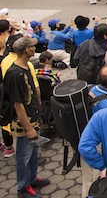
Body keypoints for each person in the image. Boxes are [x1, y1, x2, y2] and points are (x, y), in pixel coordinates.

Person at [3, 37, 51, 198]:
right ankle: (23, 187)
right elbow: (17, 104)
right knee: (23, 156)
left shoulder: (26, 67)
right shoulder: (14, 74)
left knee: (33, 151)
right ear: (26, 50)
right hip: (23, 124)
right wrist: (29, 127)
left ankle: (32, 178)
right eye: (32, 46)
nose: (34, 48)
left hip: (33, 118)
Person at [81, 64, 107, 198]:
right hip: (95, 149)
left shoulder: (90, 88)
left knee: (87, 181)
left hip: (85, 138)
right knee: (96, 184)